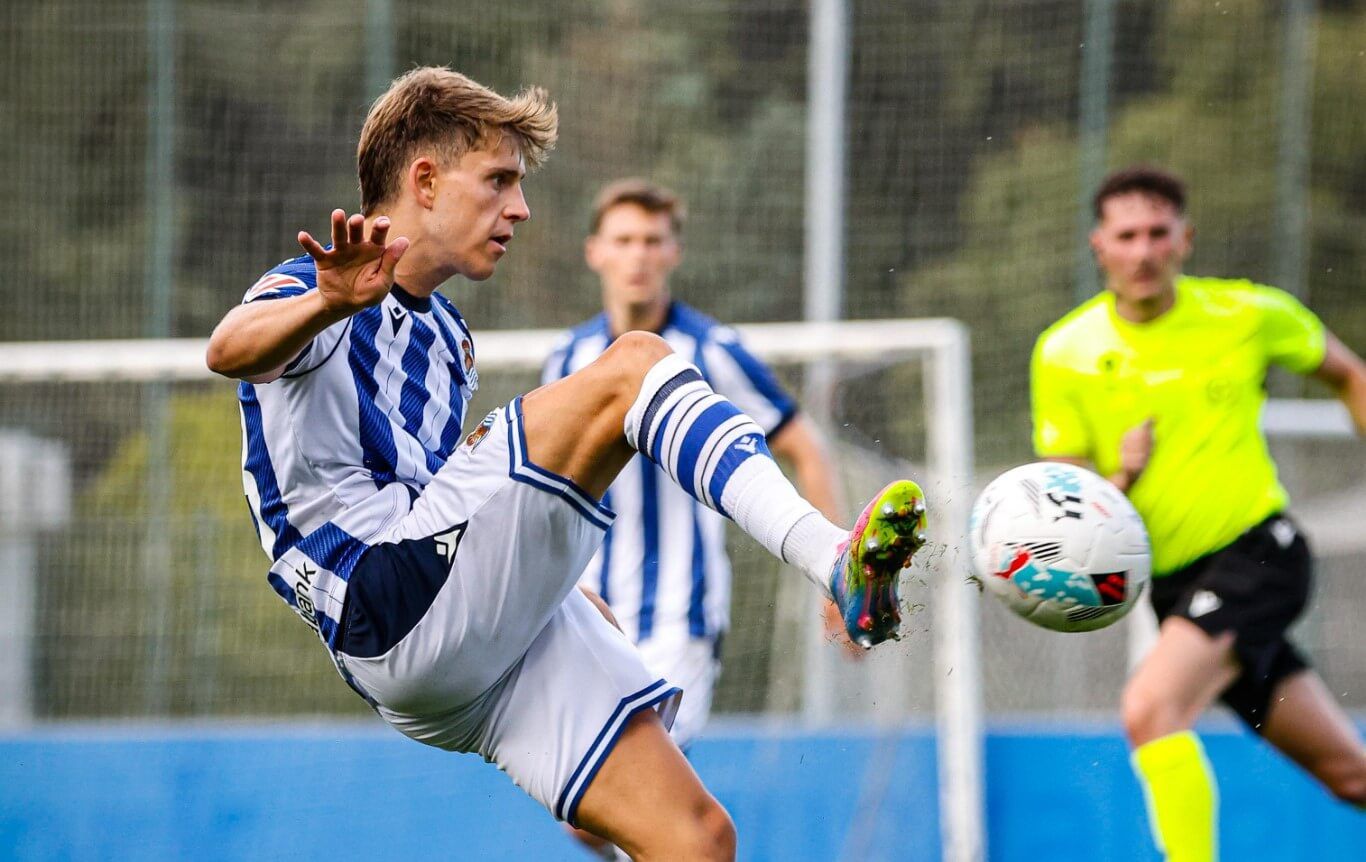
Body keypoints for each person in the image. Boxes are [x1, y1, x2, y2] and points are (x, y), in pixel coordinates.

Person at [205, 67, 927, 861]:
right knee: (637, 364)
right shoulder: (317, 285)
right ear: (425, 179)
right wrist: (326, 303)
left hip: (452, 661)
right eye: (500, 181)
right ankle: (833, 559)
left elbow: (451, 500)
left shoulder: (448, 338)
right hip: (384, 596)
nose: (520, 208)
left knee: (698, 839)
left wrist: (559, 586)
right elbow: (228, 349)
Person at [1031, 165, 1366, 861]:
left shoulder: (1247, 314)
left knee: (1149, 710)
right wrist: (1122, 471)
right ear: (1100, 246)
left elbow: (1349, 373)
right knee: (1348, 775)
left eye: (1159, 233)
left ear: (1186, 240)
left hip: (1259, 555)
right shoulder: (1064, 352)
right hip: (1177, 588)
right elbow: (1076, 505)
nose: (1144, 250)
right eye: (1128, 235)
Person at [544, 180, 856, 858]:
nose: (638, 257)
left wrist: (833, 568)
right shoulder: (567, 361)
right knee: (593, 817)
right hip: (593, 618)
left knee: (635, 802)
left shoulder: (712, 350)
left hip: (680, 619)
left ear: (674, 253)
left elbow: (804, 445)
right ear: (595, 251)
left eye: (652, 242)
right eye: (624, 241)